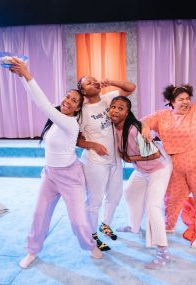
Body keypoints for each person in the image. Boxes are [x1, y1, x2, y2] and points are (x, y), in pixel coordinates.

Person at [8, 58, 102, 269]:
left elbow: (41, 102)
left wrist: (27, 73)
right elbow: (35, 99)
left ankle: (90, 245)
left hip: (70, 177)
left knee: (78, 222)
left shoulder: (70, 123)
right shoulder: (55, 117)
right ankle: (32, 251)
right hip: (50, 175)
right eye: (67, 97)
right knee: (38, 215)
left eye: (74, 101)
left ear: (78, 109)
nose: (68, 101)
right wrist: (22, 76)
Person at [142, 52, 196, 249]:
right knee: (171, 197)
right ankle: (168, 225)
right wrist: (146, 128)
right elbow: (141, 123)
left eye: (187, 98)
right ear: (171, 101)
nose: (185, 101)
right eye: (180, 99)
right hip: (175, 164)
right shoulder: (162, 116)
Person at [109, 96, 173, 269]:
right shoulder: (112, 128)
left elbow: (154, 155)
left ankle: (163, 252)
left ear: (127, 112)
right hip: (142, 169)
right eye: (113, 106)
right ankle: (134, 226)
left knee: (153, 207)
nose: (115, 110)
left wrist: (129, 158)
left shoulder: (133, 130)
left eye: (120, 108)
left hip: (158, 168)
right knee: (130, 192)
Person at [77, 76, 136, 251]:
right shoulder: (82, 112)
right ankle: (91, 235)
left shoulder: (108, 98)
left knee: (115, 196)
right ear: (82, 91)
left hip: (115, 159)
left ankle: (105, 225)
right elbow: (76, 140)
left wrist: (111, 82)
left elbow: (131, 87)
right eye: (88, 82)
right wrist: (93, 145)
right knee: (94, 201)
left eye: (94, 80)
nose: (93, 82)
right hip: (95, 162)